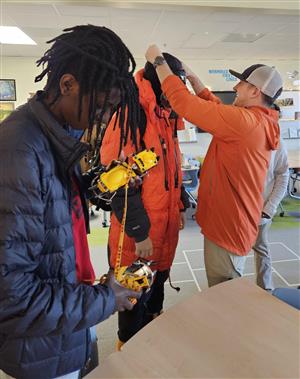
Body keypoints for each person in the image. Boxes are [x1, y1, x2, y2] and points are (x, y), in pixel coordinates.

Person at [0, 25, 142, 379]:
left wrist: (101, 186)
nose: (107, 119)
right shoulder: (18, 150)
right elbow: (12, 298)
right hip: (39, 350)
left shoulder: (62, 132)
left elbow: (56, 207)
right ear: (67, 85)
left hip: (71, 311)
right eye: (103, 106)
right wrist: (107, 300)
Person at [145, 44, 283, 287]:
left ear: (254, 90)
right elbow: (217, 109)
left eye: (241, 83)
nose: (235, 87)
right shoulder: (258, 121)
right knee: (226, 290)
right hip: (234, 222)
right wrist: (193, 78)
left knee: (224, 296)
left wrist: (158, 61)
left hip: (227, 228)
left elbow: (184, 105)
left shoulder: (245, 122)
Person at [100, 53, 189, 349]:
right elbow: (117, 181)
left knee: (156, 289)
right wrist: (139, 231)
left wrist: (180, 206)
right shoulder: (130, 115)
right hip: (137, 236)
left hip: (164, 232)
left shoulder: (165, 116)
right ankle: (130, 355)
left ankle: (153, 347)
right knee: (133, 301)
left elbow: (171, 172)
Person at [253, 138, 289, 291]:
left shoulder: (276, 141)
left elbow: (283, 175)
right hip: (235, 211)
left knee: (261, 248)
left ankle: (265, 288)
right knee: (233, 255)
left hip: (261, 210)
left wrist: (269, 208)